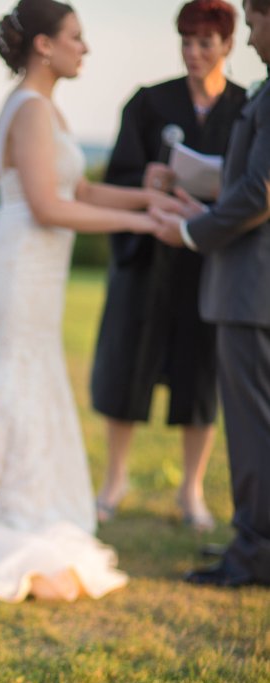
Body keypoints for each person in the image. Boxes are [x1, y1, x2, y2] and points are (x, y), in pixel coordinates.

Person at [0, 0, 172, 602]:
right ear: (44, 45)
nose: (84, 48)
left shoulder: (45, 108)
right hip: (19, 264)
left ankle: (10, 492)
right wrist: (141, 226)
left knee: (27, 369)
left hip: (37, 268)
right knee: (7, 371)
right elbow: (49, 206)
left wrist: (146, 198)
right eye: (76, 37)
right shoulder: (31, 109)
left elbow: (80, 187)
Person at [90, 0, 245, 532]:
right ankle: (114, 480)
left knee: (200, 376)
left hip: (209, 262)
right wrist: (148, 180)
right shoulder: (150, 103)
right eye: (187, 42)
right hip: (147, 259)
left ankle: (191, 490)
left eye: (205, 43)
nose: (194, 53)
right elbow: (119, 174)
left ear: (227, 44)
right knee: (126, 365)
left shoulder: (247, 108)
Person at [152, 0, 270, 587]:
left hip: (253, 292)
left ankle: (253, 555)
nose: (250, 40)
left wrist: (191, 229)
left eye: (255, 24)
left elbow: (258, 191)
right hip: (252, 287)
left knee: (252, 432)